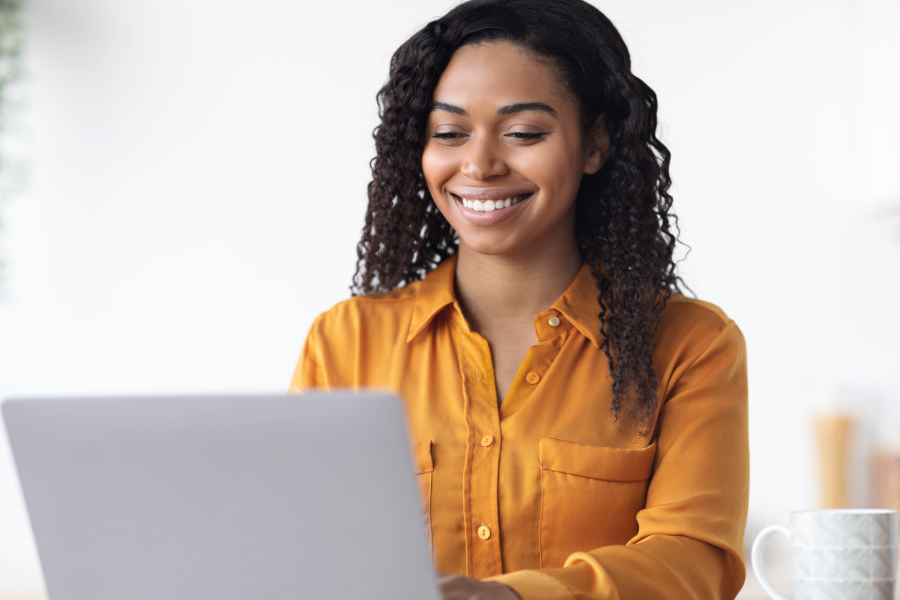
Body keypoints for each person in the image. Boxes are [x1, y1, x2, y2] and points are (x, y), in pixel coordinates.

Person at [290, 1, 748, 598]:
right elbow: (300, 547)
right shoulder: (346, 343)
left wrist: (509, 596)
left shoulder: (690, 345)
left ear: (595, 143)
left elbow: (693, 560)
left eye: (523, 133)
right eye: (449, 133)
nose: (479, 164)